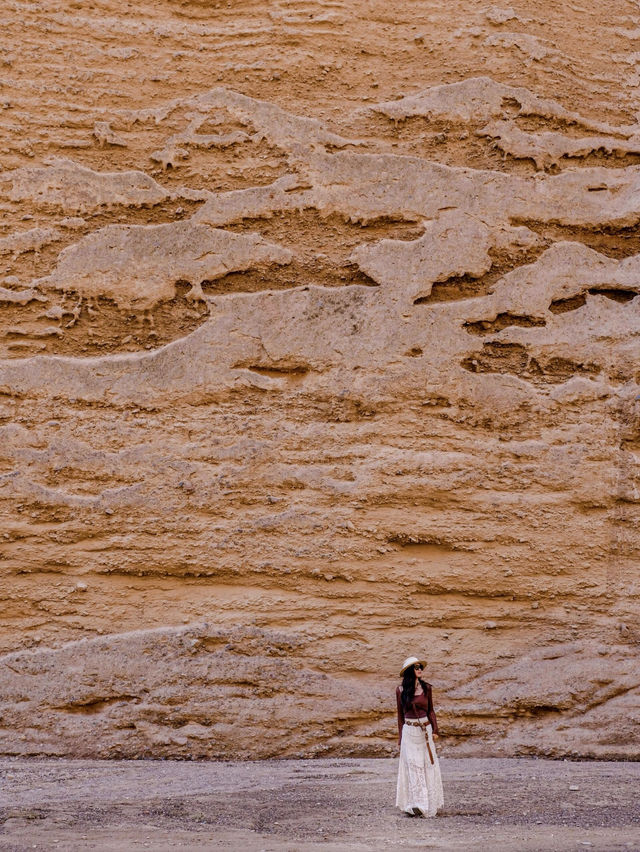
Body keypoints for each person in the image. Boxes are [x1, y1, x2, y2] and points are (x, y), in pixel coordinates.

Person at [395, 655, 444, 817]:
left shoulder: (427, 688)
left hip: (425, 731)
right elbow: (400, 716)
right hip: (409, 731)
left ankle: (428, 804)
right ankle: (416, 803)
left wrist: (435, 730)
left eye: (420, 667)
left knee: (426, 765)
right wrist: (400, 738)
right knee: (413, 766)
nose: (420, 670)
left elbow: (431, 710)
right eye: (416, 668)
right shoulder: (400, 691)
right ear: (410, 671)